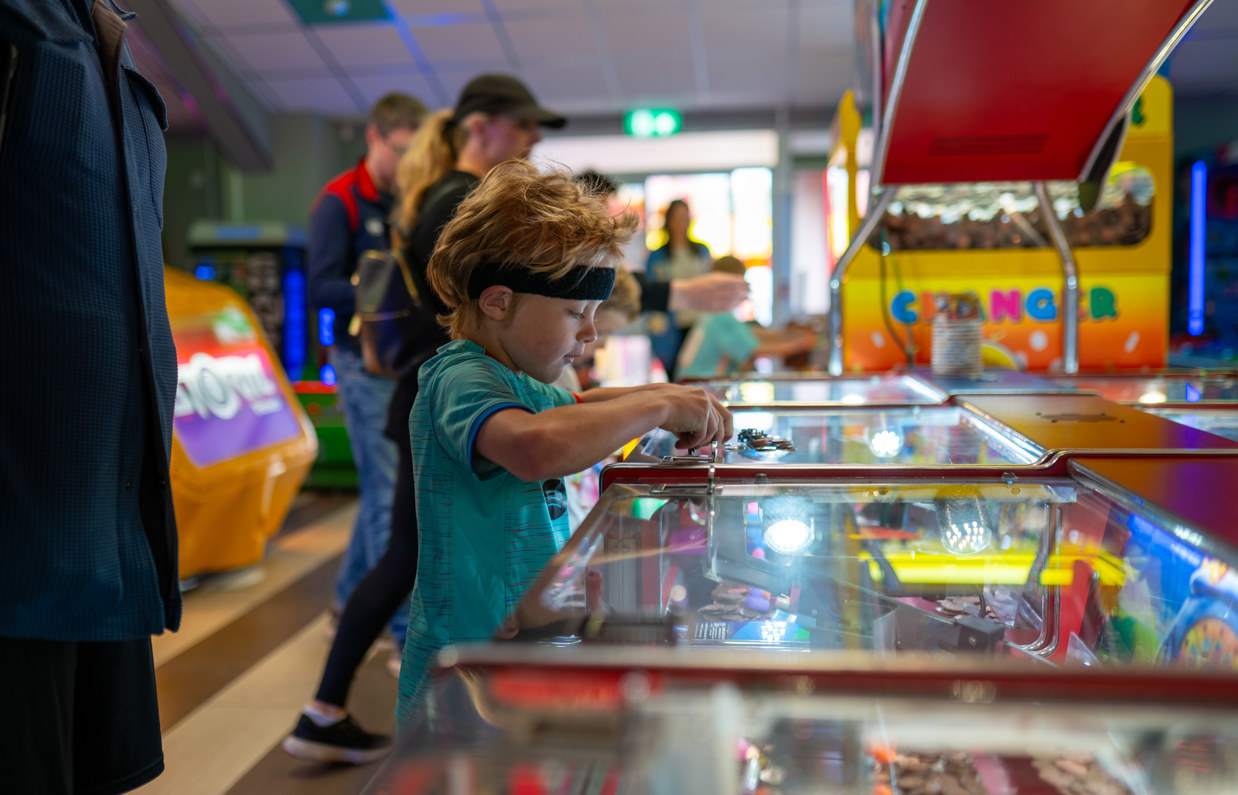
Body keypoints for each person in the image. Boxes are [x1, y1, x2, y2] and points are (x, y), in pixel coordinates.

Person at [284, 73, 564, 764]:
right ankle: (372, 713)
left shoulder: (453, 195)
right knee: (414, 555)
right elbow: (503, 296)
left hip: (439, 393)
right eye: (523, 126)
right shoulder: (457, 199)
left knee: (411, 553)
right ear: (481, 126)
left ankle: (334, 709)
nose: (531, 140)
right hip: (444, 395)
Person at [396, 161, 733, 723]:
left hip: (519, 652)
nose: (590, 333)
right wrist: (660, 404)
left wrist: (670, 395)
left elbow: (579, 411)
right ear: (498, 302)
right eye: (576, 312)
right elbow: (536, 448)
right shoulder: (459, 378)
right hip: (462, 677)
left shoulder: (521, 381)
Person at [0, 2, 181, 792]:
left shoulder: (105, 39)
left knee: (98, 767)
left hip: (108, 515)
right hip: (21, 517)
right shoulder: (21, 34)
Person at [306, 92, 427, 654]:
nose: (406, 163)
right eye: (399, 150)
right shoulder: (339, 202)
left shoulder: (407, 200)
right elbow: (320, 286)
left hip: (399, 360)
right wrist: (375, 291)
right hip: (361, 363)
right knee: (387, 495)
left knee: (384, 488)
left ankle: (350, 597)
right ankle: (402, 633)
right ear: (374, 138)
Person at [676, 256, 818, 380]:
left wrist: (786, 334)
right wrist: (799, 343)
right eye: (740, 284)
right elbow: (754, 348)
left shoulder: (712, 313)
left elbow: (749, 332)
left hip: (693, 384)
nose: (744, 291)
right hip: (700, 386)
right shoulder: (721, 317)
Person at [646, 199, 713, 379]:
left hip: (698, 322)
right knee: (676, 373)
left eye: (683, 217)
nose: (680, 222)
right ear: (668, 221)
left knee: (697, 373)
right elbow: (653, 292)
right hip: (671, 326)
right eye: (676, 218)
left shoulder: (701, 251)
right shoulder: (658, 255)